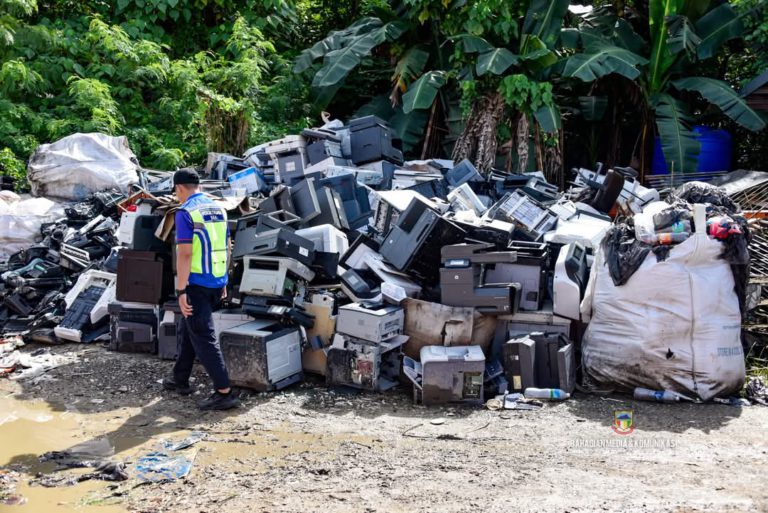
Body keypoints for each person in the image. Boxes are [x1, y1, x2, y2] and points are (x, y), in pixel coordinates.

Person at [162, 169, 239, 410]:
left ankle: (224, 392)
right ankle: (179, 378)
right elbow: (227, 246)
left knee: (203, 336)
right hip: (216, 279)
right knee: (189, 327)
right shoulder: (218, 209)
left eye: (176, 192)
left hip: (196, 283)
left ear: (180, 188)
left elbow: (185, 253)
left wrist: (181, 290)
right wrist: (224, 279)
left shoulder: (186, 212)